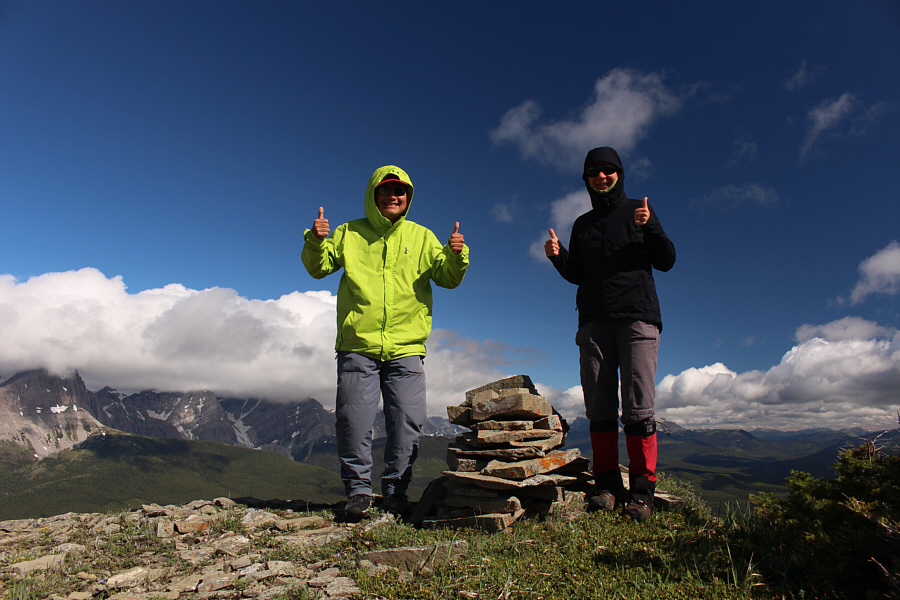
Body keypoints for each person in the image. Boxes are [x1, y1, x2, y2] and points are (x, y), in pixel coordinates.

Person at [302, 165, 469, 521]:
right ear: (373, 194)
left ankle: (395, 491)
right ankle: (358, 492)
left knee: (407, 421)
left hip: (407, 347)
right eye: (385, 190)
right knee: (353, 421)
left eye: (400, 191)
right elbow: (318, 268)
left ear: (408, 197)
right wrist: (315, 241)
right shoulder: (349, 232)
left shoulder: (422, 237)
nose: (393, 196)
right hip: (357, 345)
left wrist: (457, 255)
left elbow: (448, 278)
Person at [545, 147, 675, 522]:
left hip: (637, 318)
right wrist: (557, 257)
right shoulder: (582, 224)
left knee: (638, 408)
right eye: (594, 171)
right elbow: (578, 274)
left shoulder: (639, 211)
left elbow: (667, 260)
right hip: (594, 321)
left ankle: (642, 493)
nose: (601, 176)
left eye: (608, 169)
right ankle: (606, 486)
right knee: (599, 408)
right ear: (586, 179)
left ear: (619, 173)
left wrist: (649, 227)